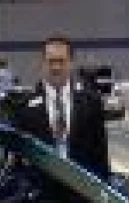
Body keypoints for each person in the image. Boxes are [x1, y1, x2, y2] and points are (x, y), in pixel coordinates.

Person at [12, 35, 110, 178]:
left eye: (61, 61)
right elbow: (19, 158)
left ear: (71, 63)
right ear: (42, 64)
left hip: (81, 188)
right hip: (40, 189)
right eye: (51, 61)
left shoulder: (91, 103)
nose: (56, 67)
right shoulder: (24, 107)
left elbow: (101, 154)